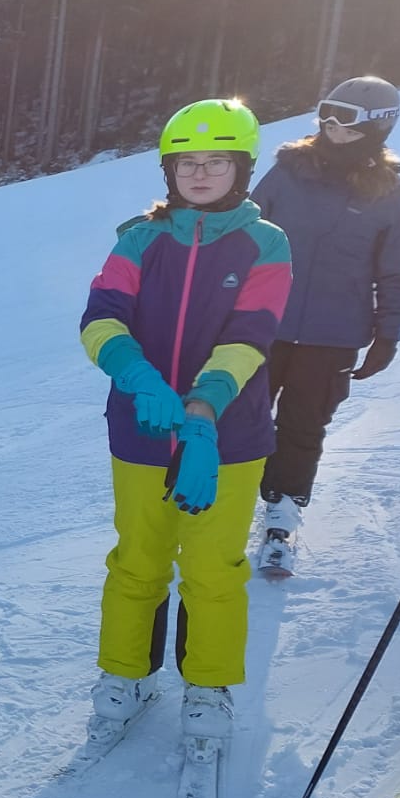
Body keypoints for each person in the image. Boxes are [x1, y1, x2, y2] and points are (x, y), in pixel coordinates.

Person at [77, 98, 290, 752]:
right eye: (187, 162)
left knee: (213, 568)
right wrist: (138, 377)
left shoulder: (265, 243)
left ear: (241, 169)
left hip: (228, 437)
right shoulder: (139, 239)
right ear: (169, 170)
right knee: (136, 561)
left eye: (215, 162)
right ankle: (126, 675)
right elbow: (101, 318)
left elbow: (251, 335)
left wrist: (202, 409)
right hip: (141, 429)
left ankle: (208, 685)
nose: (200, 173)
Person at [247, 76, 400, 560]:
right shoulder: (287, 172)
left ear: (377, 128)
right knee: (240, 417)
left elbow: (395, 271)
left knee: (303, 426)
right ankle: (218, 506)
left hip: (333, 335)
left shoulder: (388, 193)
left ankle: (282, 516)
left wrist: (387, 336)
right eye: (328, 118)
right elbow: (242, 235)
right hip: (262, 324)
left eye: (348, 123)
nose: (333, 129)